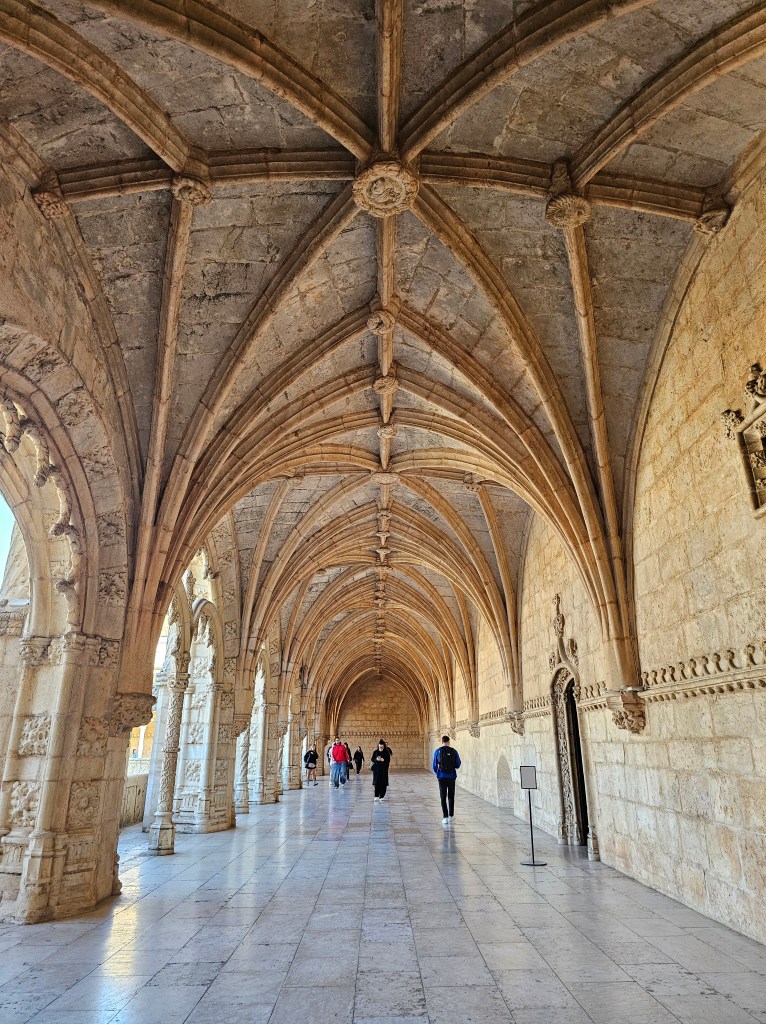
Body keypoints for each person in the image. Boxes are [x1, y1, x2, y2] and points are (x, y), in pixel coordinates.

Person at [432, 735, 461, 825]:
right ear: (449, 742)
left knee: (443, 796)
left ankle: (445, 817)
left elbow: (434, 765)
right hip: (451, 776)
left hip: (441, 777)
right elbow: (458, 764)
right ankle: (451, 816)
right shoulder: (454, 751)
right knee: (451, 796)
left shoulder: (437, 751)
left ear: (442, 741)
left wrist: (438, 773)